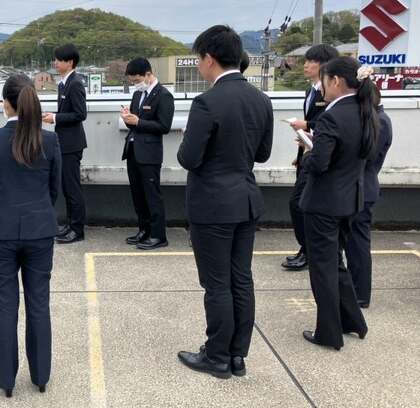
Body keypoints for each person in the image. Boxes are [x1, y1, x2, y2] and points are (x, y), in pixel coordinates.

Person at [176, 25, 274, 379]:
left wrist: (189, 136)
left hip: (212, 205)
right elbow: (262, 154)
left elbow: (189, 159)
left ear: (209, 58)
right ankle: (237, 356)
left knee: (217, 284)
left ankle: (216, 356)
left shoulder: (206, 102)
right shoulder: (261, 99)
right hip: (246, 200)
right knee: (241, 279)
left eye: (199, 59)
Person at [0, 74, 62, 398]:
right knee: (39, 302)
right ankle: (41, 376)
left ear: (6, 103)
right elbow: (54, 189)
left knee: (5, 305)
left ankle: (7, 381)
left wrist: (3, 211)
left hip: (0, 229)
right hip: (40, 229)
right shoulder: (49, 141)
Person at [299, 57, 377, 350]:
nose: (321, 87)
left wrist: (309, 150)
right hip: (350, 198)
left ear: (336, 81)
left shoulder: (332, 116)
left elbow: (319, 164)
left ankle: (328, 333)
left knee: (323, 270)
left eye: (323, 80)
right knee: (335, 263)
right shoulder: (365, 110)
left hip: (324, 203)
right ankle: (353, 321)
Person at [282, 44, 339, 271]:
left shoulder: (332, 93)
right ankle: (307, 249)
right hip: (308, 153)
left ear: (323, 65)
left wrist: (307, 124)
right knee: (301, 203)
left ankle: (308, 250)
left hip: (320, 157)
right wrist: (301, 154)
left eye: (310, 61)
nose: (305, 65)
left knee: (299, 203)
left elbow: (332, 123)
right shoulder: (311, 91)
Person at [344, 78, 392, 309]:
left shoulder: (379, 121)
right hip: (360, 188)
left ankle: (361, 294)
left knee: (358, 245)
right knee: (353, 244)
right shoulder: (376, 118)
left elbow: (367, 156)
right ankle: (356, 290)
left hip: (364, 189)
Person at [120, 57, 174, 249]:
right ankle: (144, 230)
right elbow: (135, 123)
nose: (135, 84)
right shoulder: (137, 95)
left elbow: (164, 126)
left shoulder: (164, 95)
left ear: (148, 74)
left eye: (137, 80)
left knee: (152, 195)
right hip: (133, 150)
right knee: (138, 194)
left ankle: (158, 235)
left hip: (150, 153)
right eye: (132, 81)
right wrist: (128, 119)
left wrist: (139, 122)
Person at [42, 43, 88, 244]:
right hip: (64, 142)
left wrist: (55, 118)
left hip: (72, 144)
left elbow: (80, 114)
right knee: (67, 188)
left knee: (72, 188)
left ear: (70, 62)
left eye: (59, 60)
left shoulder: (75, 84)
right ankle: (70, 225)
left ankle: (77, 229)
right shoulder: (63, 83)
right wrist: (54, 116)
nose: (55, 63)